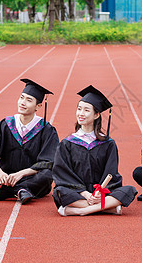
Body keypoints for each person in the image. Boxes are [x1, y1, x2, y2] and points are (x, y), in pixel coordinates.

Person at [52, 85, 137, 216]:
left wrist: (99, 193)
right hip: (77, 192)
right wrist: (85, 193)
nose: (81, 113)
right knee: (60, 191)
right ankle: (108, 207)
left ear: (96, 115)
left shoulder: (108, 144)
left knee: (129, 190)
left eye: (86, 110)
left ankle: (83, 210)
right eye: (79, 109)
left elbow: (111, 172)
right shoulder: (67, 143)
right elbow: (63, 173)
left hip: (100, 192)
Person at [0, 79, 59, 204]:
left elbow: (47, 162)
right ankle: (19, 191)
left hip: (31, 178)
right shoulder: (6, 124)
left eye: (29, 100)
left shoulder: (46, 130)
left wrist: (21, 174)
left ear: (38, 106)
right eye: (22, 98)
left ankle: (3, 192)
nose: (23, 102)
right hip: (5, 177)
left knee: (48, 173)